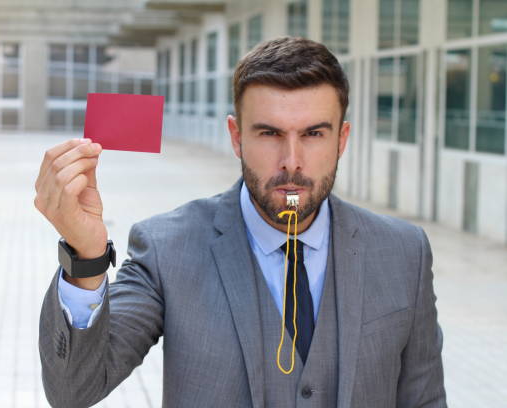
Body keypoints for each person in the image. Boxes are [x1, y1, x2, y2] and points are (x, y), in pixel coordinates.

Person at [34, 37, 446, 408]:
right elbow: (73, 391)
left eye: (314, 134)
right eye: (269, 133)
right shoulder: (166, 247)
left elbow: (424, 400)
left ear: (342, 139)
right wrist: (86, 258)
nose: (291, 161)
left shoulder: (403, 252)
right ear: (236, 136)